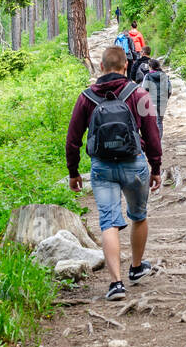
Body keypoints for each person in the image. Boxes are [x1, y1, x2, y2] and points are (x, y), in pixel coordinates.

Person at [66, 45, 163, 301]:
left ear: (101, 67)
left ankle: (116, 284)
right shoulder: (138, 93)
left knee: (109, 222)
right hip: (134, 163)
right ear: (124, 67)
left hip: (102, 167)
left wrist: (73, 172)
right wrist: (156, 167)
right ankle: (136, 267)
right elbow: (152, 135)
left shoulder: (86, 97)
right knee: (139, 216)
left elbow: (73, 139)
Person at [141, 58, 171, 135]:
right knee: (159, 122)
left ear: (150, 67)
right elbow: (169, 89)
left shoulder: (147, 76)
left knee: (152, 122)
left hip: (152, 101)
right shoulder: (164, 75)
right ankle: (159, 140)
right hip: (162, 102)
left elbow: (143, 89)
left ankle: (155, 141)